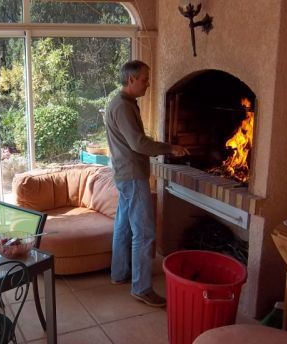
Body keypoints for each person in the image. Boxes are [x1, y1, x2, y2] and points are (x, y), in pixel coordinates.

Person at [105, 60, 189, 307]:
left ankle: (119, 273)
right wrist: (169, 148)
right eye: (144, 79)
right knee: (144, 233)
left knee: (123, 227)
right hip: (132, 176)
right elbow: (138, 144)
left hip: (125, 174)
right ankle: (141, 288)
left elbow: (136, 141)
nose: (148, 83)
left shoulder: (125, 103)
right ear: (130, 80)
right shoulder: (122, 106)